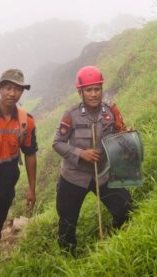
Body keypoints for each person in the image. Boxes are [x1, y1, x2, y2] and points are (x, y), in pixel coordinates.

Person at [52, 66, 132, 254]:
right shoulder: (70, 115)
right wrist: (81, 154)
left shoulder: (111, 110)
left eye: (97, 89)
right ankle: (68, 257)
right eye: (89, 90)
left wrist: (126, 139)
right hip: (73, 177)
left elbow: (121, 133)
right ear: (80, 92)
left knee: (125, 208)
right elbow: (57, 143)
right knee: (67, 223)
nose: (94, 94)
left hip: (103, 173)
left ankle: (116, 242)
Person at [0, 69, 38, 264]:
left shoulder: (26, 121)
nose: (12, 93)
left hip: (6, 185)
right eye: (7, 88)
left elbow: (30, 154)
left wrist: (31, 188)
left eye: (17, 89)